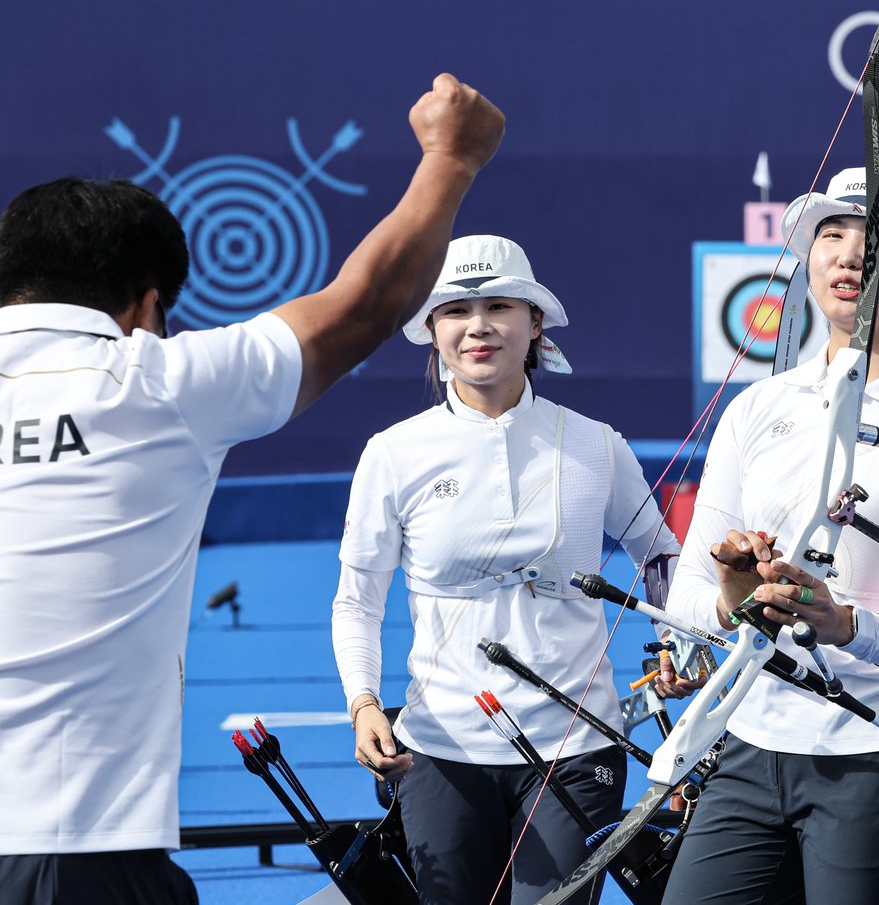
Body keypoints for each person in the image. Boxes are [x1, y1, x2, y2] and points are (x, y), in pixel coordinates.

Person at [0, 74, 503, 904]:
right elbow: (366, 305)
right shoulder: (152, 383)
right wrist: (452, 157)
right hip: (73, 853)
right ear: (146, 306)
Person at [657, 167, 879, 904]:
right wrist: (733, 601)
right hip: (749, 747)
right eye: (833, 235)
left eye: (878, 241)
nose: (849, 256)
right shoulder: (757, 408)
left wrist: (843, 624)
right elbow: (689, 592)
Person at [331, 233, 681, 905]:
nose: (478, 327)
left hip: (576, 747)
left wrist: (677, 636)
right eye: (456, 311)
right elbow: (357, 600)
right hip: (438, 749)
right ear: (432, 331)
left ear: (535, 324)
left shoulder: (596, 443)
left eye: (499, 305)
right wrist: (364, 703)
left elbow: (661, 556)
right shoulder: (394, 453)